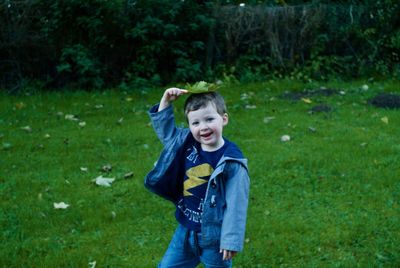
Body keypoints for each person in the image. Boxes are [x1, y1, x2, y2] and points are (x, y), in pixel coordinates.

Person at [145, 87, 250, 267]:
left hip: (214, 239)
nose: (203, 127)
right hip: (185, 231)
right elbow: (167, 133)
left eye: (209, 119)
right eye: (195, 123)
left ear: (224, 119)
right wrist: (165, 101)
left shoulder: (232, 162)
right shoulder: (187, 142)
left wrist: (230, 240)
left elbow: (237, 203)